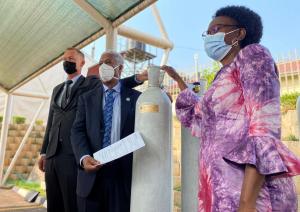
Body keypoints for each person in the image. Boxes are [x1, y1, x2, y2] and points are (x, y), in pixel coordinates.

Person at [162, 5, 300, 212]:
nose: (209, 37)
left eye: (215, 29)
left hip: (248, 194)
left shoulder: (253, 55)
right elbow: (199, 115)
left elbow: (264, 130)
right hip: (220, 190)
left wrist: (246, 204)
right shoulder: (222, 75)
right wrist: (178, 82)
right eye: (207, 33)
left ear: (239, 33)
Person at [38, 47, 145, 212]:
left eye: (72, 59)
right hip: (57, 157)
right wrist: (44, 151)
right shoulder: (58, 90)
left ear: (82, 63)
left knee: (70, 203)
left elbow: (117, 84)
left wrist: (139, 79)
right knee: (55, 203)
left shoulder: (90, 84)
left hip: (85, 161)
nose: (67, 61)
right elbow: (52, 120)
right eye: (65, 58)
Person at [71, 50, 141, 212]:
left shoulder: (137, 98)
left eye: (108, 62)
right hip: (91, 178)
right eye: (101, 62)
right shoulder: (86, 98)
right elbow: (77, 130)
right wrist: (84, 157)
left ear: (120, 68)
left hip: (122, 177)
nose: (103, 66)